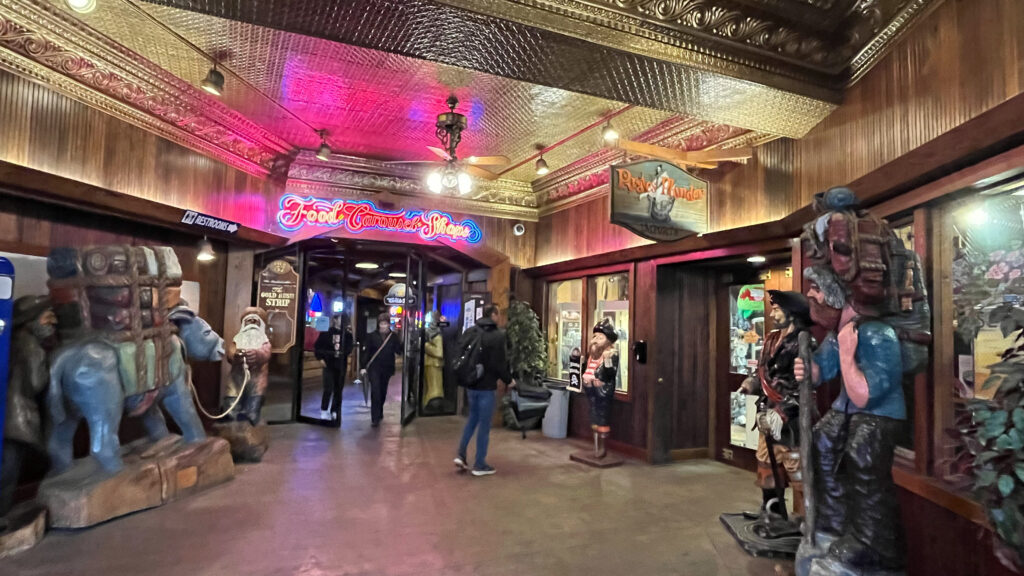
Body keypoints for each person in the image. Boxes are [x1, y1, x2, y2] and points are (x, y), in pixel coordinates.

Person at [736, 290, 812, 525]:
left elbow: (806, 385)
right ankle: (772, 510)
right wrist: (751, 383)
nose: (773, 313)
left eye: (778, 309)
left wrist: (782, 413)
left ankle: (807, 521)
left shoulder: (804, 341)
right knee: (767, 463)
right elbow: (763, 372)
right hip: (768, 411)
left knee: (796, 467)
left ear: (792, 313)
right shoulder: (770, 339)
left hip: (792, 418)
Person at [2, 296, 55, 520]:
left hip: (7, 414)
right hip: (18, 416)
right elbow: (36, 380)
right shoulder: (31, 346)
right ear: (31, 321)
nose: (51, 325)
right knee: (8, 470)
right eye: (46, 320)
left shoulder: (10, 340)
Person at [454, 305, 514, 476]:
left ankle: (461, 454)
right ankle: (480, 464)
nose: (500, 318)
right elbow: (499, 364)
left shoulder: (471, 331)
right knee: (484, 426)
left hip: (471, 384)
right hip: (487, 387)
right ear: (493, 315)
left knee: (472, 419)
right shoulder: (497, 336)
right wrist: (509, 380)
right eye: (498, 314)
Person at [582, 318, 619, 459]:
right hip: (590, 387)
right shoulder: (592, 353)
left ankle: (602, 448)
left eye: (600, 337)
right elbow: (586, 368)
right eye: (595, 336)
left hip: (602, 390)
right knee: (593, 414)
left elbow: (610, 373)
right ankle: (595, 445)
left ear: (608, 340)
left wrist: (602, 377)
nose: (596, 339)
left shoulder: (611, 354)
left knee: (602, 417)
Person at [361, 312, 401, 428]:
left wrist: (402, 343)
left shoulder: (393, 337)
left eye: (385, 324)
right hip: (374, 368)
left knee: (382, 392)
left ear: (389, 324)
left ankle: (380, 410)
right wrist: (363, 367)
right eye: (381, 324)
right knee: (375, 391)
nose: (383, 326)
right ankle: (375, 418)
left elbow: (398, 351)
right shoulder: (372, 336)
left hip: (387, 368)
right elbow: (366, 352)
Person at [315, 313, 354, 420]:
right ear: (335, 320)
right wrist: (320, 358)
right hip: (328, 364)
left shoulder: (347, 334)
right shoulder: (326, 333)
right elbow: (318, 346)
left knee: (338, 389)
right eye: (341, 319)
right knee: (328, 388)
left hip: (341, 365)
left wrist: (343, 352)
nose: (343, 321)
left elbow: (349, 348)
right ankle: (324, 409)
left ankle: (334, 410)